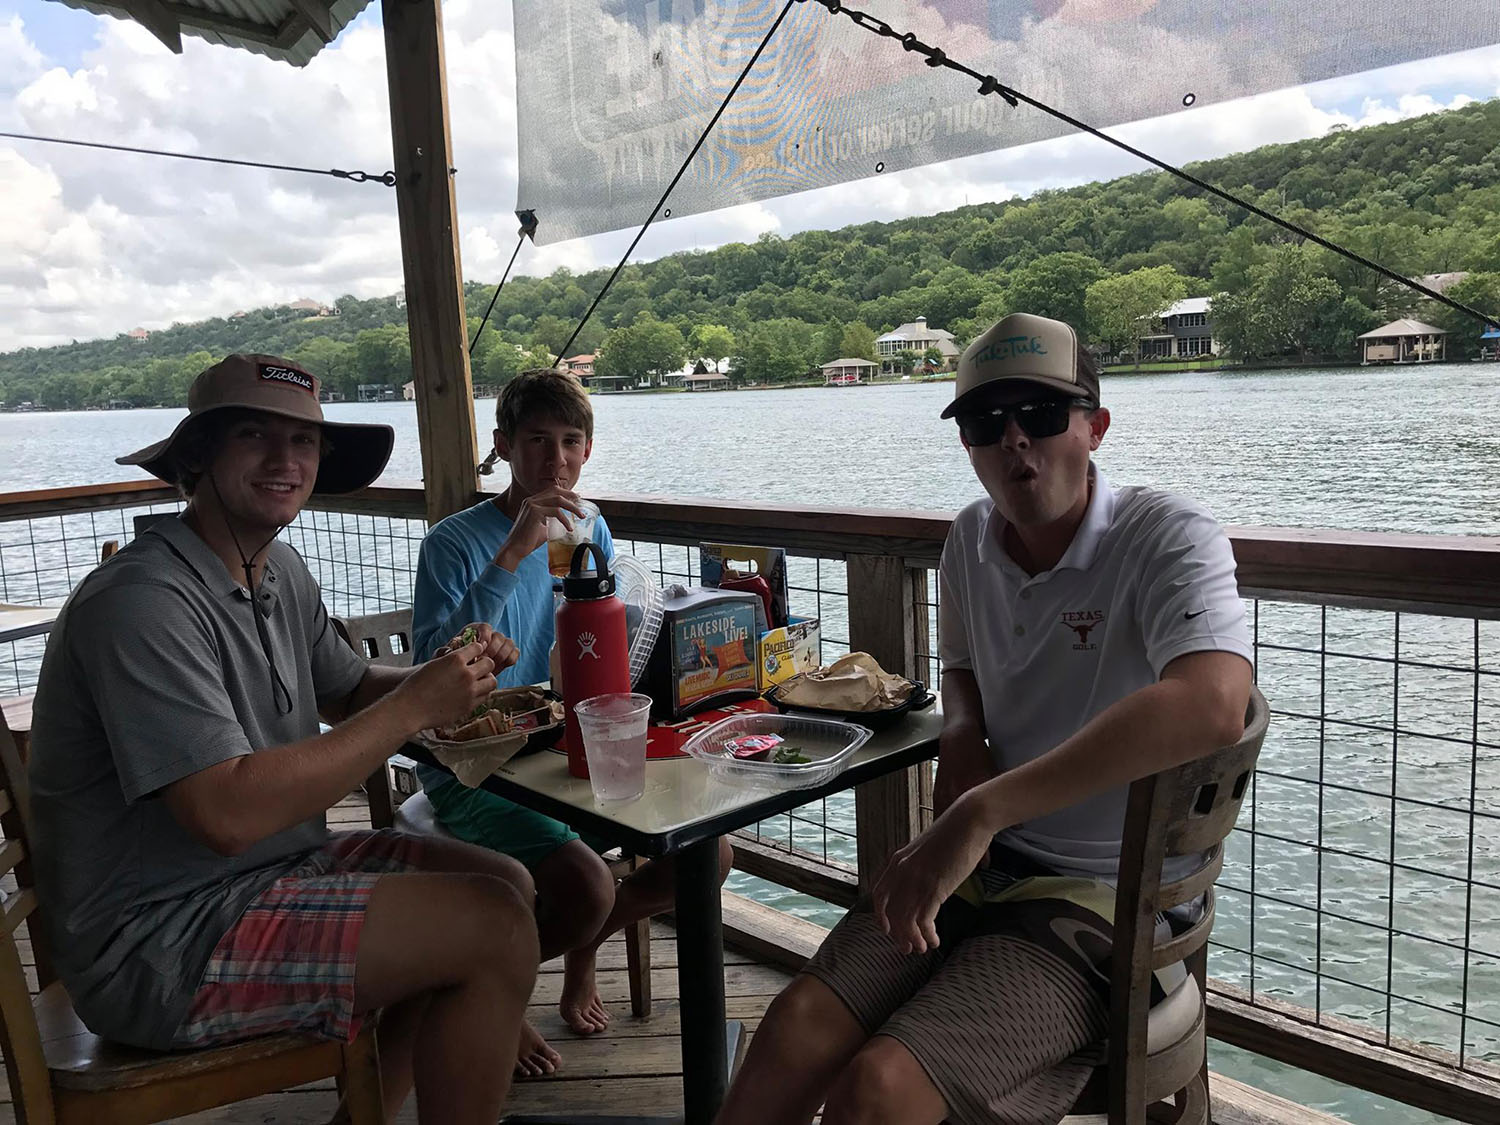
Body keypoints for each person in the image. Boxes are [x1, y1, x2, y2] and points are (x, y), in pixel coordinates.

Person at [716, 313, 1254, 1125]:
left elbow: (1213, 701)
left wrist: (983, 807)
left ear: (1094, 427)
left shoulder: (1168, 536)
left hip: (1112, 894)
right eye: (983, 422)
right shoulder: (968, 539)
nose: (1014, 443)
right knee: (793, 1027)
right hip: (983, 862)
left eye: (1040, 416)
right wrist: (963, 731)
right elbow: (961, 671)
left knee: (880, 1086)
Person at [28, 354, 541, 1125]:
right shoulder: (141, 601)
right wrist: (412, 711)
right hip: (161, 941)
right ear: (197, 457)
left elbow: (347, 689)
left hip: (277, 869)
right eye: (255, 435)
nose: (286, 459)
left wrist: (444, 678)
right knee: (492, 932)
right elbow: (225, 813)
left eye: (304, 441)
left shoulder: (279, 569)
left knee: (510, 885)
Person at [411, 368, 732, 1075]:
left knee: (710, 853)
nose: (554, 461)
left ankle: (581, 944)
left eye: (568, 442)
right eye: (535, 442)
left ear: (587, 450)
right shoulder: (454, 543)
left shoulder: (592, 529)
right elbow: (428, 673)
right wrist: (514, 553)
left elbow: (606, 639)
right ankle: (495, 993)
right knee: (586, 885)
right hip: (473, 758)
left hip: (564, 740)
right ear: (502, 447)